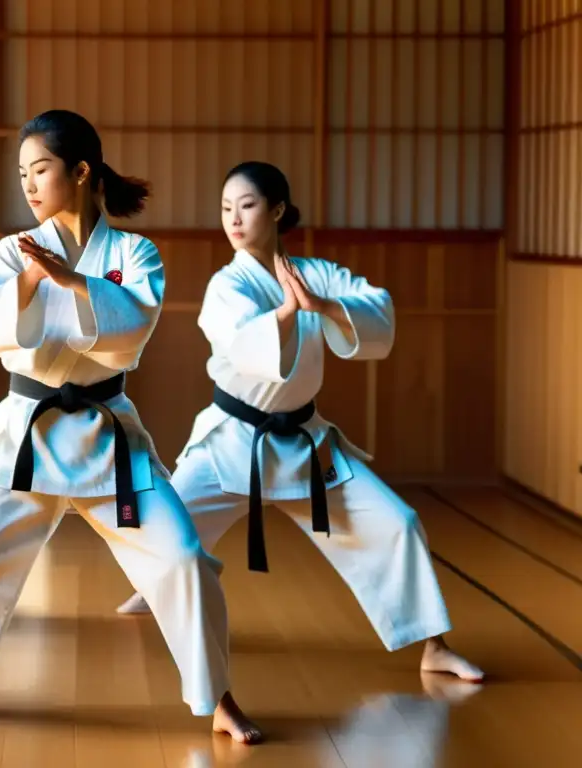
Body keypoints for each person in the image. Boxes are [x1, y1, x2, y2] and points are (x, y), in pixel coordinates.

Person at [0, 110, 263, 744]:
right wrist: (30, 275)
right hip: (26, 435)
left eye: (39, 169)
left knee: (184, 558)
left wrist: (73, 280)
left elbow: (130, 331)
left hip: (110, 438)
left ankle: (217, 697)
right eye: (22, 172)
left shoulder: (134, 252)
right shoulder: (9, 250)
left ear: (81, 172)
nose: (27, 183)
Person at [114, 161, 484, 684]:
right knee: (168, 533)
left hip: (306, 445)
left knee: (396, 522)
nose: (234, 220)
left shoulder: (318, 274)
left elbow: (375, 310)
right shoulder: (228, 284)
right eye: (225, 209)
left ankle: (434, 647)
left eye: (246, 205)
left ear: (278, 210)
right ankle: (151, 593)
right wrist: (289, 313)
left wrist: (323, 305)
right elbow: (240, 343)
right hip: (233, 440)